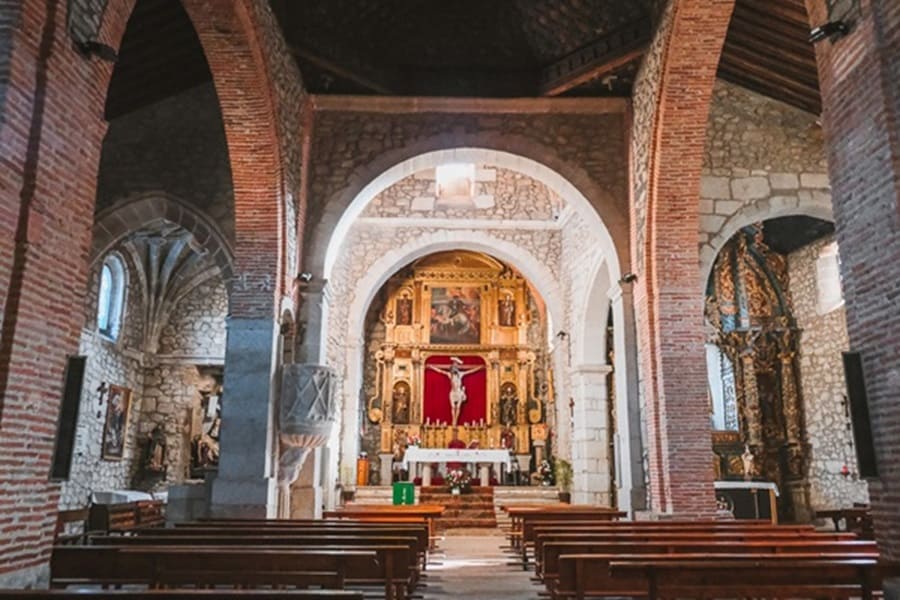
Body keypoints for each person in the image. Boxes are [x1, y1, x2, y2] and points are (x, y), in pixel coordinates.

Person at [427, 357, 485, 426]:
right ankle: (453, 420)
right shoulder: (450, 375)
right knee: (453, 407)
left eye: (455, 368)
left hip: (459, 392)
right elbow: (440, 371)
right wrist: (432, 367)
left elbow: (470, 371)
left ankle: (455, 420)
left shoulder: (460, 374)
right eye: (453, 368)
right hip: (453, 392)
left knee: (458, 407)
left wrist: (479, 367)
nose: (454, 370)